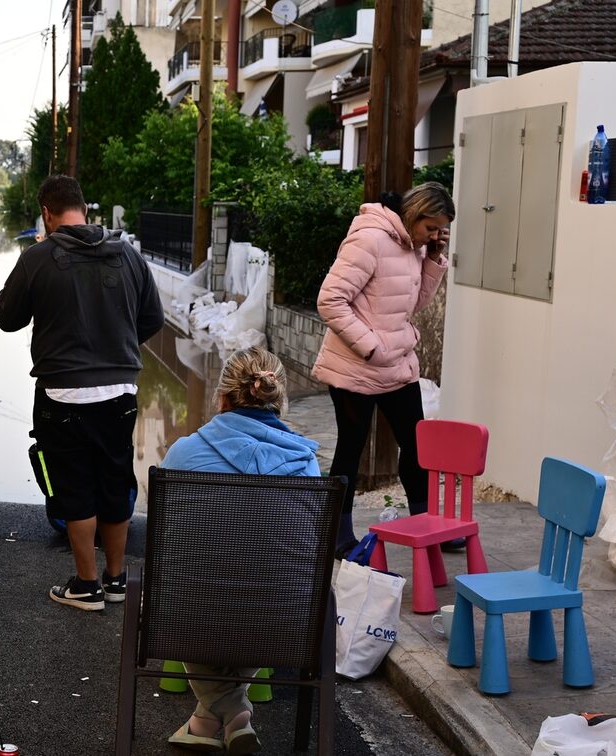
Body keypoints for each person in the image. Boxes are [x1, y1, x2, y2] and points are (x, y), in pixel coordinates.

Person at [0, 175, 164, 612]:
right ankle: (117, 580)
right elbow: (152, 320)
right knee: (114, 480)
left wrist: (31, 256)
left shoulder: (38, 257)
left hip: (62, 395)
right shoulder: (128, 255)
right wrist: (117, 349)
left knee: (74, 487)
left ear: (46, 214)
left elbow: (7, 318)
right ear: (84, 209)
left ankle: (86, 586)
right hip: (121, 391)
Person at [160, 347, 320, 754]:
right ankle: (229, 717)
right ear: (278, 400)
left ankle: (219, 716)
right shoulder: (305, 463)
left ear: (222, 398)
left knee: (186, 586)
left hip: (187, 618)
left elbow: (169, 548)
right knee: (266, 582)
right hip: (284, 621)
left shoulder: (182, 454)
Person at [312, 182, 456, 557]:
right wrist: (371, 347)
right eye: (432, 228)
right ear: (415, 212)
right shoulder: (371, 239)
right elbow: (330, 300)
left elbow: (413, 305)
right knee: (351, 447)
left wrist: (433, 258)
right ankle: (337, 536)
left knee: (418, 445)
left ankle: (426, 527)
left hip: (397, 365)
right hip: (356, 367)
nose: (434, 235)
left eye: (440, 231)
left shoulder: (414, 245)